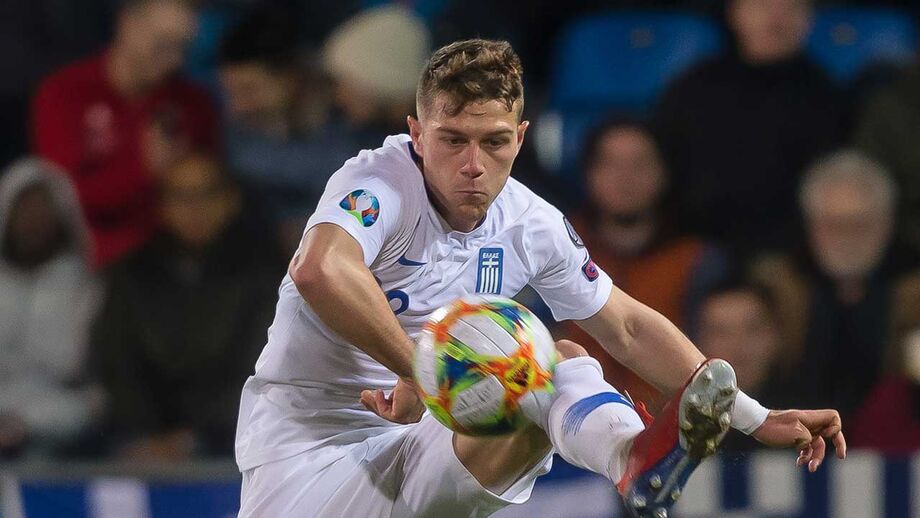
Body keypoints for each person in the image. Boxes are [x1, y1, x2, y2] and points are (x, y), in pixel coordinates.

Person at [236, 39, 845, 518]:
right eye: (452, 140)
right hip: (309, 453)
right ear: (417, 134)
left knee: (553, 360)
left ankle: (631, 462)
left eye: (494, 142)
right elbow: (320, 269)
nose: (473, 165)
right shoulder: (378, 181)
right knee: (536, 358)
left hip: (432, 443)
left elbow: (627, 328)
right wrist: (422, 371)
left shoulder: (532, 223)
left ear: (521, 138)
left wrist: (755, 417)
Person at [92, 153, 279, 459]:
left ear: (231, 200)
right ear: (162, 206)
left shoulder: (267, 272)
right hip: (139, 438)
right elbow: (116, 361)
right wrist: (150, 434)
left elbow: (262, 369)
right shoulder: (133, 273)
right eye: (180, 196)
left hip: (234, 435)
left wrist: (196, 437)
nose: (194, 208)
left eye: (206, 194)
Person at [32, 0, 218, 268]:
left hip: (175, 263)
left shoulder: (193, 104)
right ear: (127, 24)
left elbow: (209, 197)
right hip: (81, 263)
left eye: (183, 48)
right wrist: (143, 170)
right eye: (163, 45)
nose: (174, 60)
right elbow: (61, 200)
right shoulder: (63, 93)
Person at [561, 118, 730, 410]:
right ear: (589, 174)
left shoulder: (697, 260)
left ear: (664, 173)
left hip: (676, 419)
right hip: (569, 416)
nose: (625, 178)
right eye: (611, 164)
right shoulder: (557, 246)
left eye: (639, 164)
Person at [653, 0, 846, 255]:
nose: (777, 19)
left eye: (792, 7)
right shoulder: (692, 88)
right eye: (763, 5)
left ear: (809, 20)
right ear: (735, 13)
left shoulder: (827, 97)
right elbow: (663, 173)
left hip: (790, 254)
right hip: (694, 247)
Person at [751, 150, 920, 422]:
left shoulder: (913, 291)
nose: (846, 238)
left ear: (886, 224)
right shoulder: (776, 289)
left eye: (859, 225)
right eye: (833, 225)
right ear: (811, 226)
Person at [0, 158, 103, 457]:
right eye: (24, 209)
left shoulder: (87, 287)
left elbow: (88, 378)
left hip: (62, 421)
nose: (33, 222)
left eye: (43, 210)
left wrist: (28, 422)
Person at [695, 281, 790, 451]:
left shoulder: (811, 425)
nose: (738, 346)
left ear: (777, 335)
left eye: (752, 329)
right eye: (722, 332)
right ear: (699, 343)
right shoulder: (682, 428)